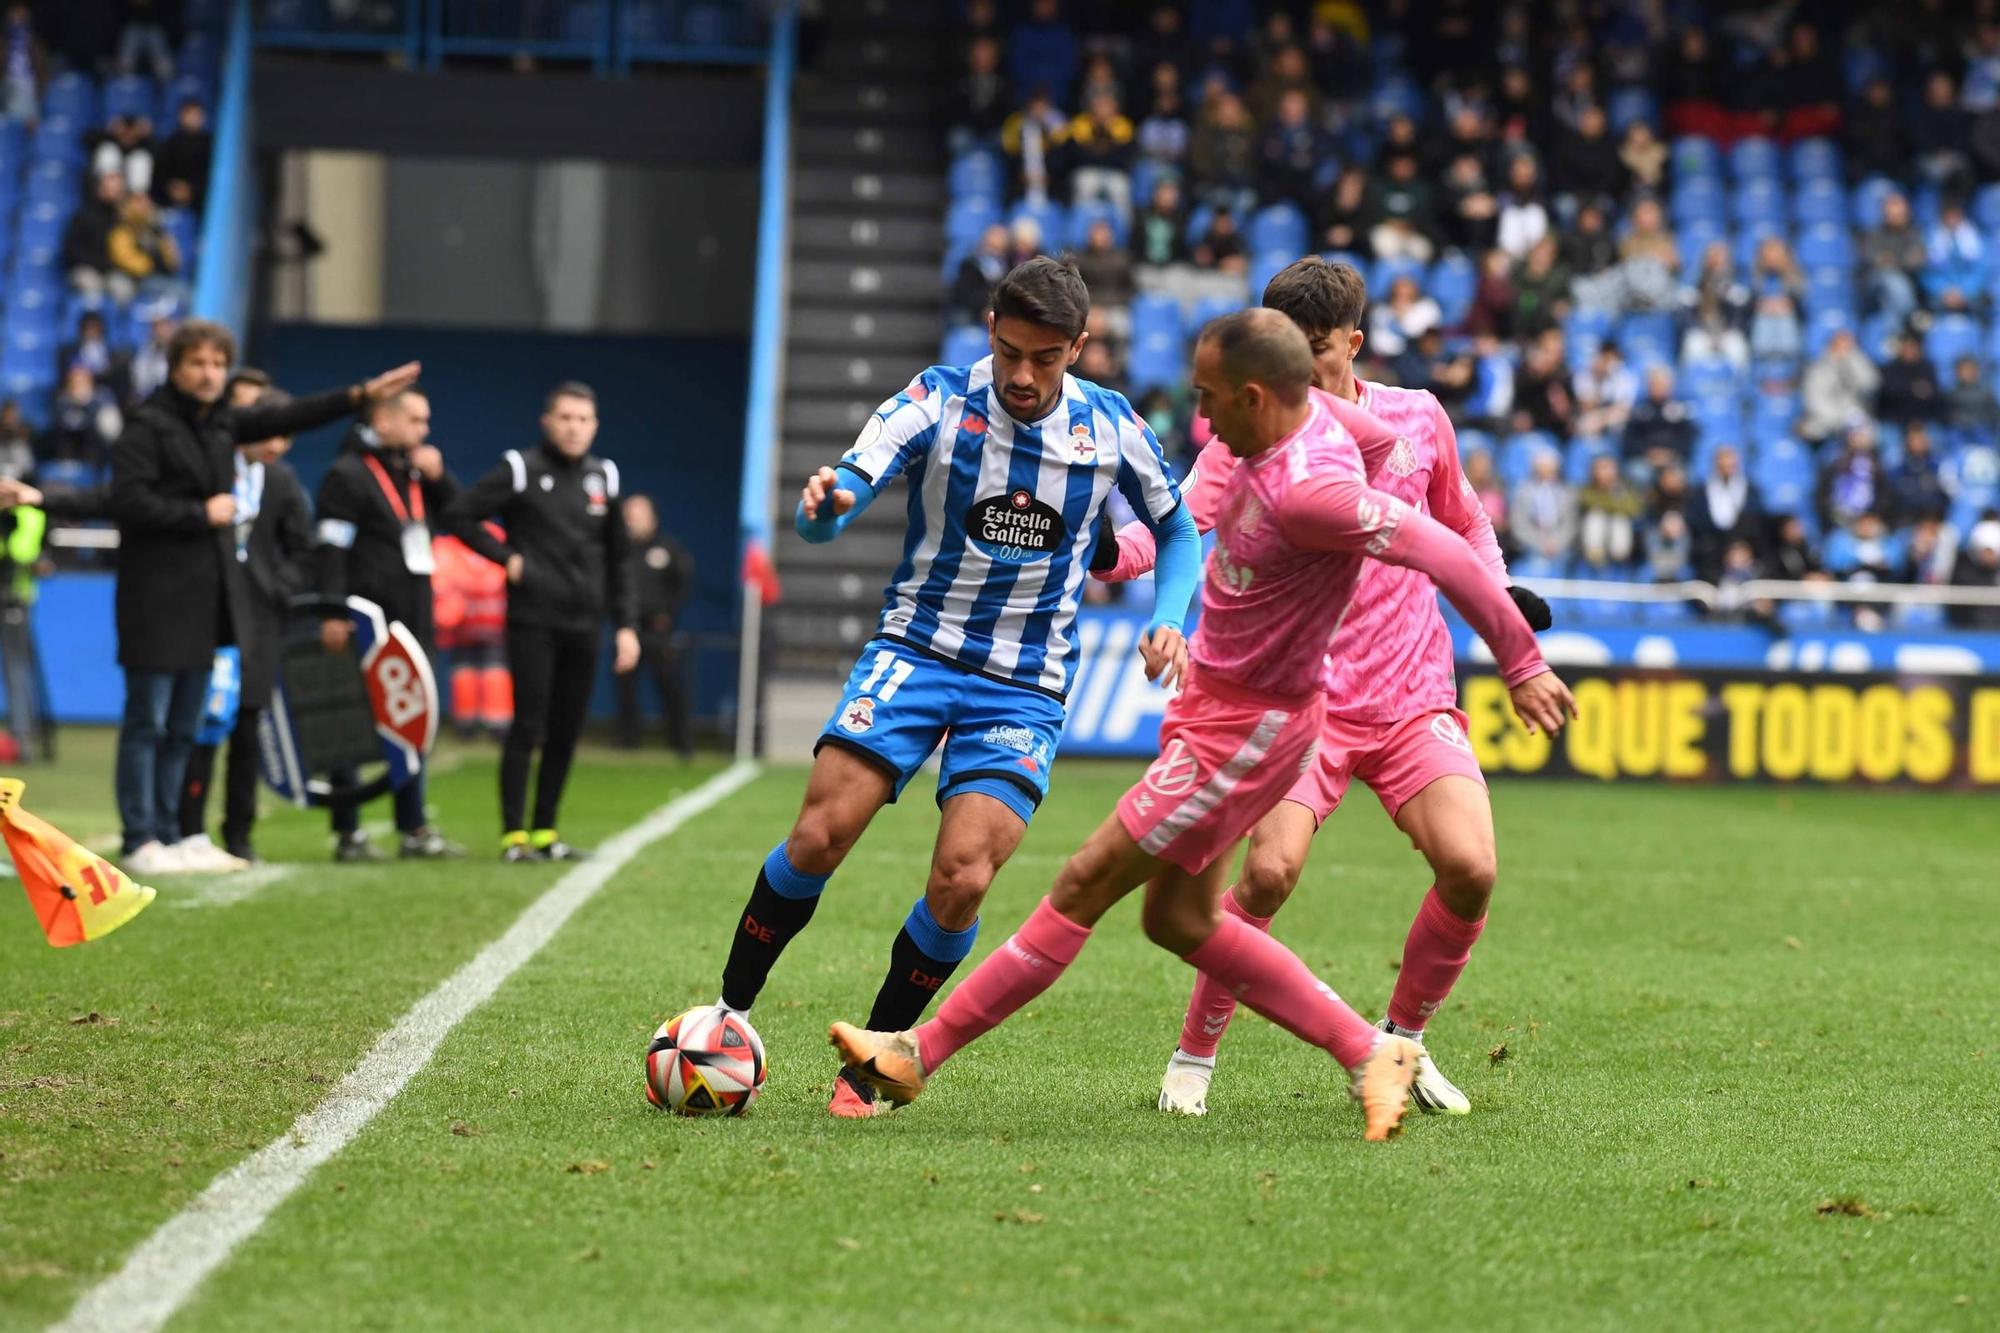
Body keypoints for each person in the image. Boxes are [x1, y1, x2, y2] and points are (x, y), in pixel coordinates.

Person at [830, 309, 1573, 1140]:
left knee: (1082, 884)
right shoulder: (1310, 423)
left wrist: (1522, 662)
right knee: (1178, 920)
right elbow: (1362, 439)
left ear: (1258, 397)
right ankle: (1369, 1050)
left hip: (1246, 729)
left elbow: (1442, 550)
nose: (1202, 419)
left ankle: (913, 1054)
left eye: (1211, 399)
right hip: (1223, 714)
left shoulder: (1313, 492)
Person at [699, 257, 1202, 1120]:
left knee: (963, 877)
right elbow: (847, 490)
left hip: (1023, 686)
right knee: (820, 833)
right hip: (916, 650)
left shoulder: (1111, 427)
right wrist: (826, 507)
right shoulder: (937, 398)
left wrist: (1171, 617)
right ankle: (729, 1010)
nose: (1021, 374)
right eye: (1008, 350)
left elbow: (1178, 528)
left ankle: (878, 1058)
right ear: (989, 327)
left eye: (1044, 358)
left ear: (1078, 349)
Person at [1092, 261, 1557, 1115]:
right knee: (1266, 876)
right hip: (1304, 704)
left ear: (1353, 343)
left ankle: (1404, 1042)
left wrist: (1503, 594)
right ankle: (1195, 1055)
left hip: (1413, 690)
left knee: (1471, 867)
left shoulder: (1417, 418)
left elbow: (1461, 521)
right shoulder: (1251, 431)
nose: (1289, 373)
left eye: (1310, 352)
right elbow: (1177, 526)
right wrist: (1107, 555)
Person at [107, 322, 418, 876]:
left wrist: (357, 396)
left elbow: (285, 418)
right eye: (197, 364)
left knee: (183, 727)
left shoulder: (217, 429)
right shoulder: (150, 426)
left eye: (216, 364)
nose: (208, 374)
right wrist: (199, 514)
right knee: (149, 723)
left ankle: (176, 834)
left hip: (209, 605)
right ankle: (141, 836)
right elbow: (126, 502)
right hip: (156, 600)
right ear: (176, 368)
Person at [443, 383, 640, 862]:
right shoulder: (520, 469)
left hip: (585, 622)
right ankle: (514, 836)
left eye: (584, 419)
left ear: (594, 427)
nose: (574, 427)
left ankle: (545, 832)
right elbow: (459, 514)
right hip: (533, 619)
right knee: (528, 724)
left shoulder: (604, 478)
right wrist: (505, 557)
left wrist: (627, 624)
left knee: (567, 727)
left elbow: (620, 559)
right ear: (547, 422)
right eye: (566, 418)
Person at [316, 386, 465, 862]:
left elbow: (460, 517)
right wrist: (335, 611)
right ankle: (349, 832)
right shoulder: (348, 474)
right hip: (365, 619)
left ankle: (414, 828)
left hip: (413, 620)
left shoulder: (415, 474)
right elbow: (332, 549)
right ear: (383, 421)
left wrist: (441, 480)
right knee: (353, 724)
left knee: (413, 721)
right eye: (416, 421)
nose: (425, 431)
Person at [177, 374, 314, 863]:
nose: (277, 444)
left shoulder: (281, 481)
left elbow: (303, 547)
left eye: (286, 436)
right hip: (212, 621)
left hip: (259, 626)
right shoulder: (216, 473)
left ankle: (240, 834)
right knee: (202, 726)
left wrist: (279, 588)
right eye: (269, 432)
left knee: (247, 730)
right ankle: (186, 831)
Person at [615, 494, 694, 757]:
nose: (632, 521)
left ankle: (680, 741)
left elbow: (682, 584)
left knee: (670, 685)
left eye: (637, 515)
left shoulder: (667, 549)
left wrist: (668, 614)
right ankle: (628, 740)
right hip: (628, 629)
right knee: (626, 688)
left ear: (652, 518)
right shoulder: (619, 550)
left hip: (659, 630)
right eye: (629, 516)